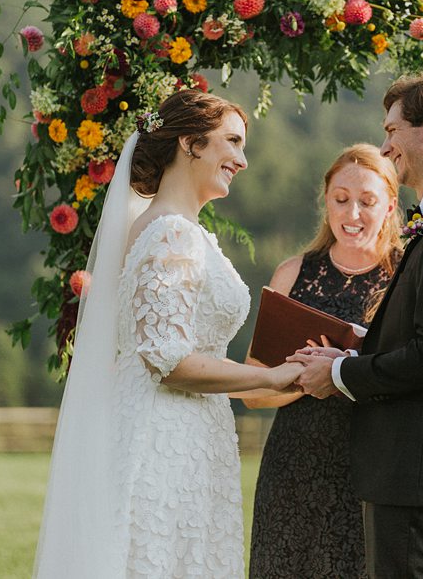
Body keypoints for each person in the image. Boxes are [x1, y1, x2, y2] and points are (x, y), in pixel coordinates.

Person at [33, 89, 303, 579]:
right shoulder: (171, 234)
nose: (242, 159)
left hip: (191, 431)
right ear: (190, 143)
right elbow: (170, 361)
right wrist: (273, 377)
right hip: (165, 437)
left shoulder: (173, 230)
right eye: (233, 142)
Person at [289, 69, 423, 579]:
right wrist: (350, 352)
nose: (386, 145)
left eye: (392, 130)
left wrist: (340, 377)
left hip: (422, 466)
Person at [244, 144, 402, 579]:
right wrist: (309, 378)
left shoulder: (405, 279)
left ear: (390, 205)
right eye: (341, 199)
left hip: (368, 473)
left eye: (367, 202)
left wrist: (344, 374)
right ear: (325, 201)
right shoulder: (292, 273)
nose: (352, 213)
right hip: (290, 469)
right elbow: (252, 392)